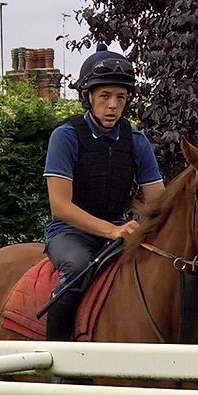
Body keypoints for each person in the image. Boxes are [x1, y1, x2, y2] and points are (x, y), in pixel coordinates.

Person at [41, 46, 166, 343]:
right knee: (77, 267)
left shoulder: (137, 141)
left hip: (119, 230)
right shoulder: (65, 136)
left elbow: (159, 202)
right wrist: (112, 230)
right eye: (105, 96)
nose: (113, 105)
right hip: (69, 233)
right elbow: (60, 206)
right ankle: (58, 353)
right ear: (89, 97)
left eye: (120, 97)